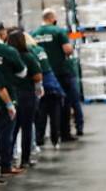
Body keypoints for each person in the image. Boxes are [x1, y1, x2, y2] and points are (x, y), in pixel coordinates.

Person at [32, 8, 82, 140]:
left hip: (44, 74)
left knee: (43, 106)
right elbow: (67, 50)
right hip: (61, 72)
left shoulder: (34, 33)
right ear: (52, 18)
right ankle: (65, 133)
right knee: (65, 102)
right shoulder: (59, 31)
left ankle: (40, 136)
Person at [0, 21, 27, 176]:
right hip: (6, 97)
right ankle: (5, 165)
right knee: (6, 133)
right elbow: (22, 72)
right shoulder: (9, 51)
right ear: (3, 34)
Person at [6, 29, 42, 169]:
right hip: (26, 94)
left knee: (12, 129)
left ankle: (7, 160)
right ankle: (25, 160)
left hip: (11, 95)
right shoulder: (28, 56)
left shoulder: (8, 56)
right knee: (26, 128)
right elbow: (37, 76)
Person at [30, 33, 64, 150]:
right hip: (53, 85)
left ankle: (39, 141)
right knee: (55, 115)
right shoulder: (40, 49)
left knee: (41, 115)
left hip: (42, 87)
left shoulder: (29, 52)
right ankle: (55, 140)